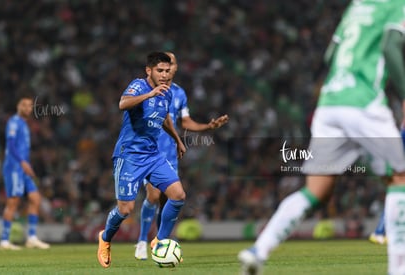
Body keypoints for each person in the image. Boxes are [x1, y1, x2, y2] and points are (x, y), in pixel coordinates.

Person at [238, 1, 405, 274]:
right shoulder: (396, 4)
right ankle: (399, 269)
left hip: (329, 103)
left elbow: (331, 55)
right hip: (363, 101)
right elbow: (391, 45)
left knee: (316, 190)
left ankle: (259, 250)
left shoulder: (356, 7)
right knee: (400, 177)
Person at [134, 52, 229, 260]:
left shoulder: (179, 93)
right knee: (153, 195)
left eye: (172, 64)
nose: (168, 68)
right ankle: (142, 240)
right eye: (164, 65)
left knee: (169, 198)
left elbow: (185, 122)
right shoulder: (146, 88)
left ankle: (160, 242)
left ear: (175, 68)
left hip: (170, 152)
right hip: (150, 150)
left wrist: (207, 126)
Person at [97, 51, 187, 268]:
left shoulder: (167, 93)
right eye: (160, 71)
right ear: (149, 71)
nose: (164, 75)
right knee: (125, 210)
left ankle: (161, 241)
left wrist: (177, 140)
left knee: (178, 195)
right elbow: (123, 103)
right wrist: (150, 94)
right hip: (129, 156)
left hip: (153, 155)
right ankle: (105, 238)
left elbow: (165, 118)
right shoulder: (139, 86)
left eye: (167, 71)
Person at [0, 95, 50, 250]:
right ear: (18, 107)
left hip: (23, 168)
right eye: (24, 105)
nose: (28, 108)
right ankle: (4, 240)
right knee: (13, 201)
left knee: (35, 198)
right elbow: (11, 145)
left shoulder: (24, 124)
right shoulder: (14, 122)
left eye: (30, 106)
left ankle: (32, 237)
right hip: (14, 167)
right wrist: (22, 162)